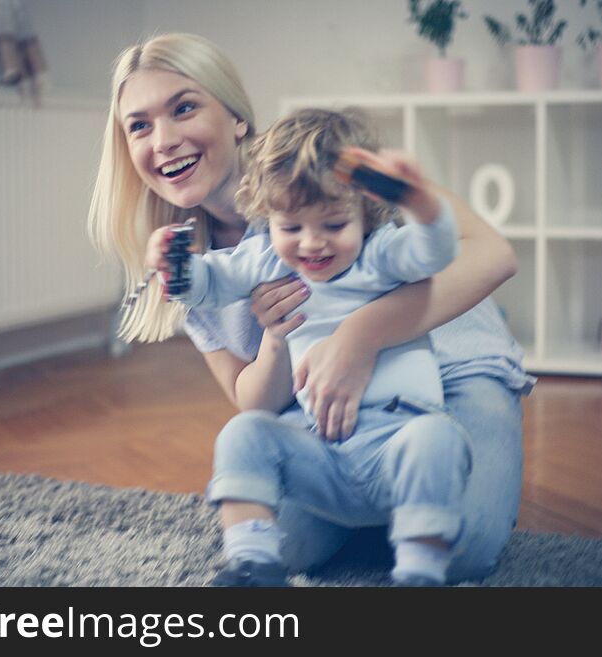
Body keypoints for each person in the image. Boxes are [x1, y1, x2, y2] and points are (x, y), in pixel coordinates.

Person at [87, 33, 534, 585]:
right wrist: (275, 336)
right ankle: (388, 500)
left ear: (235, 118)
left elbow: (493, 254)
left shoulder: (318, 163)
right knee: (290, 547)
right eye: (140, 125)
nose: (165, 139)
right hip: (326, 404)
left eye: (184, 108)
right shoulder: (199, 259)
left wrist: (360, 336)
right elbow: (250, 401)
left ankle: (406, 502)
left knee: (463, 549)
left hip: (450, 370)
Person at [146, 107, 477, 586]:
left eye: (334, 225)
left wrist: (421, 204)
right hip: (322, 451)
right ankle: (253, 564)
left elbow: (436, 251)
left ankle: (419, 575)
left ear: (365, 214)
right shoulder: (265, 258)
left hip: (399, 444)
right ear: (268, 218)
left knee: (440, 439)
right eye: (292, 227)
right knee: (244, 432)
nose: (312, 244)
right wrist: (176, 268)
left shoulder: (381, 253)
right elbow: (211, 283)